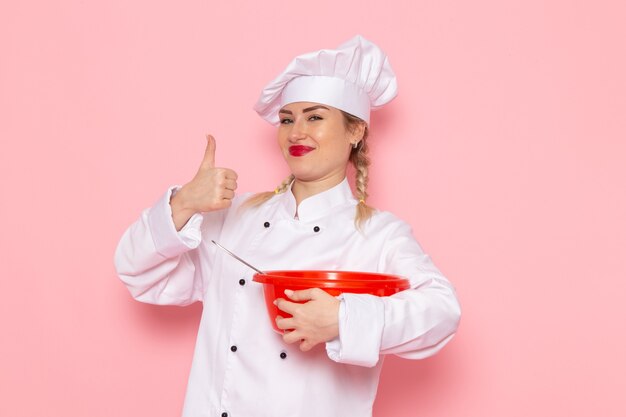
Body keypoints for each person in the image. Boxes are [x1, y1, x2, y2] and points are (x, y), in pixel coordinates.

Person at [114, 34, 461, 417]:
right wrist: (183, 204)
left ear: (355, 131)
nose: (296, 132)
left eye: (315, 116)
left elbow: (442, 312)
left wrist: (343, 319)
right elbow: (137, 272)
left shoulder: (380, 235)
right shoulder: (235, 217)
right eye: (286, 119)